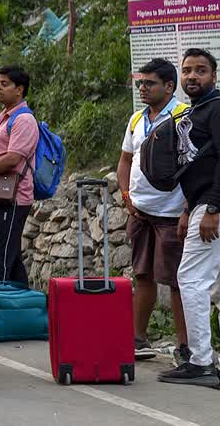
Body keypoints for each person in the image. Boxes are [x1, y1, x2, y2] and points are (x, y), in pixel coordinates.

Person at [118, 58, 189, 363]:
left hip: (172, 214)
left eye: (150, 83)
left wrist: (189, 207)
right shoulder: (136, 119)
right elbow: (125, 161)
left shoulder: (184, 116)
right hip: (140, 213)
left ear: (169, 86)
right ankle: (138, 340)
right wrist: (125, 194)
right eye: (140, 83)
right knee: (142, 275)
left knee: (177, 281)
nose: (143, 88)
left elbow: (194, 166)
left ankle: (186, 347)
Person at [157, 49, 220, 387]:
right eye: (187, 70)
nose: (193, 76)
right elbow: (198, 165)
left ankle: (201, 362)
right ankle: (204, 359)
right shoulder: (196, 111)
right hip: (199, 205)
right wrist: (187, 209)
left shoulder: (216, 108)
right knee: (201, 280)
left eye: (201, 70)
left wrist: (212, 209)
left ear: (214, 75)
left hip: (213, 207)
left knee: (192, 279)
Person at [0, 66, 39, 285]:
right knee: (10, 258)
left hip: (13, 198)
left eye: (4, 84)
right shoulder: (4, 118)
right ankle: (28, 312)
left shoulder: (23, 120)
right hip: (0, 196)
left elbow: (12, 159)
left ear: (19, 90)